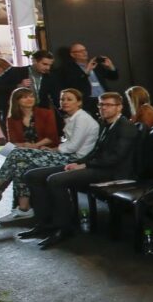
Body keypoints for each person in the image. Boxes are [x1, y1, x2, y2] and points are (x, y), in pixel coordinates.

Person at [0, 88, 99, 223]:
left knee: (16, 154)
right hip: (60, 152)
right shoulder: (71, 117)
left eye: (69, 99)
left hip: (75, 159)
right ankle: (22, 208)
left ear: (79, 102)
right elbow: (13, 141)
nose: (64, 102)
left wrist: (50, 149)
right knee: (18, 159)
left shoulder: (81, 118)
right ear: (17, 101)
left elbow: (70, 145)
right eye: (62, 99)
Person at [20, 92, 139, 249]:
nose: (103, 108)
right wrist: (79, 162)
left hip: (114, 172)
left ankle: (64, 228)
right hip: (99, 166)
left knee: (55, 180)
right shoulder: (105, 124)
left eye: (108, 105)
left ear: (119, 107)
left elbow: (115, 158)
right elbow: (95, 151)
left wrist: (85, 165)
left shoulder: (125, 126)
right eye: (101, 104)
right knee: (32, 175)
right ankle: (45, 222)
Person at [0, 49, 59, 114]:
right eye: (44, 64)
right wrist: (18, 86)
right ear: (34, 61)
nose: (48, 68)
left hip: (39, 114)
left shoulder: (50, 77)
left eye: (50, 65)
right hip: (16, 113)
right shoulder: (16, 72)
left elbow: (55, 97)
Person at [56, 42, 119, 113]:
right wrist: (86, 72)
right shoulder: (68, 69)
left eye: (84, 50)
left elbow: (114, 77)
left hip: (104, 98)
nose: (84, 53)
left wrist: (111, 66)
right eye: (80, 51)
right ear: (72, 54)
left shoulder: (96, 65)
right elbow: (75, 85)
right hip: (88, 101)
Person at [5, 87, 59, 152]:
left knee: (13, 155)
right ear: (17, 101)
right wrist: (24, 145)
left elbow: (52, 137)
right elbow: (12, 142)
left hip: (44, 148)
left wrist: (35, 145)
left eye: (31, 96)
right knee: (6, 150)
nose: (29, 99)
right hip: (23, 149)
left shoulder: (46, 113)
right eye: (25, 97)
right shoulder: (11, 119)